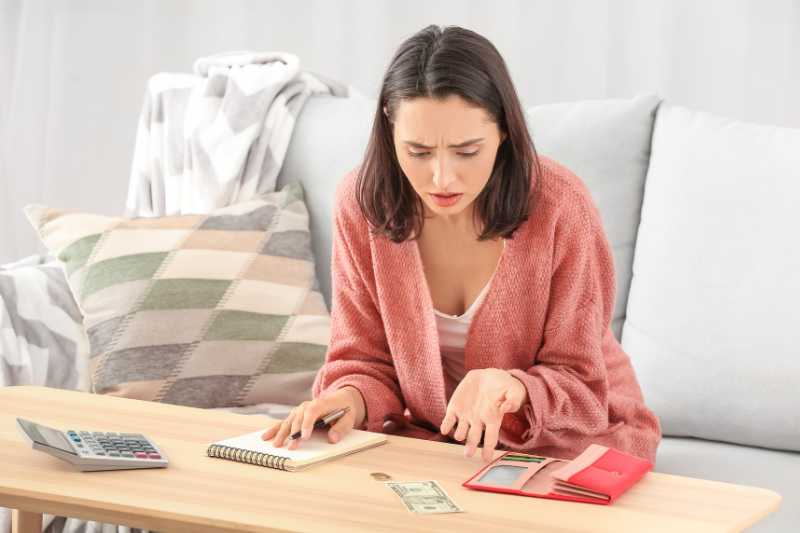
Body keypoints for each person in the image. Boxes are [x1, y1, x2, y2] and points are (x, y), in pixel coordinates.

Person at [262, 24, 661, 463]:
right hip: (440, 443)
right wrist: (346, 401)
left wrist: (510, 387)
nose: (442, 178)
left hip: (574, 439)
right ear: (389, 132)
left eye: (467, 151)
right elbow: (364, 360)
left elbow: (582, 384)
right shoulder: (362, 205)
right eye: (417, 151)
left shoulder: (561, 206)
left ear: (505, 132)